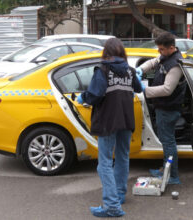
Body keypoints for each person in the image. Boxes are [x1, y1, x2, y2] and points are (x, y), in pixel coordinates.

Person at [77, 38, 143, 218]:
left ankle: (111, 205)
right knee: (122, 158)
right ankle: (119, 195)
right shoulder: (129, 71)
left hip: (108, 121)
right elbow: (138, 88)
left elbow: (95, 95)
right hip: (126, 120)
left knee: (104, 163)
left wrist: (83, 97)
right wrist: (138, 75)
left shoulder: (103, 70)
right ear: (122, 53)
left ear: (106, 52)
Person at [135, 32, 186, 185]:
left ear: (171, 48)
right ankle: (165, 169)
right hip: (163, 107)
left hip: (168, 108)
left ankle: (173, 176)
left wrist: (143, 91)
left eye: (161, 49)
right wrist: (140, 70)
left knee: (168, 142)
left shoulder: (175, 65)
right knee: (166, 141)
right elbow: (154, 62)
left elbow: (167, 90)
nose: (159, 52)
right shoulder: (166, 57)